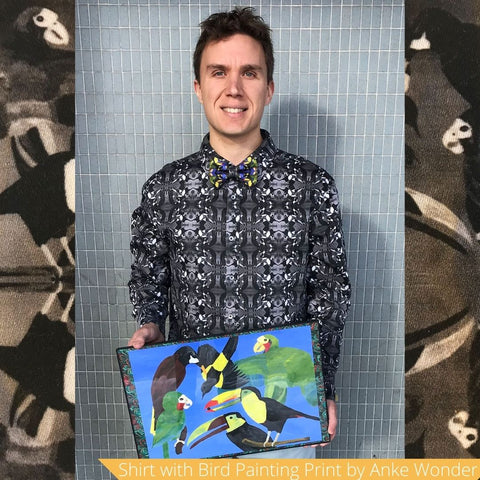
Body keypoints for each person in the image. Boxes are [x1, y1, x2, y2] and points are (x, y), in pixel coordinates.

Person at [128, 7, 351, 456]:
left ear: (268, 89)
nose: (233, 88)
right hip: (197, 408)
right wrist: (149, 324)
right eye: (218, 72)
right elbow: (149, 279)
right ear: (198, 87)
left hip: (282, 405)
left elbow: (329, 293)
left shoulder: (312, 186)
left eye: (249, 73)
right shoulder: (164, 189)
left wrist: (322, 385)